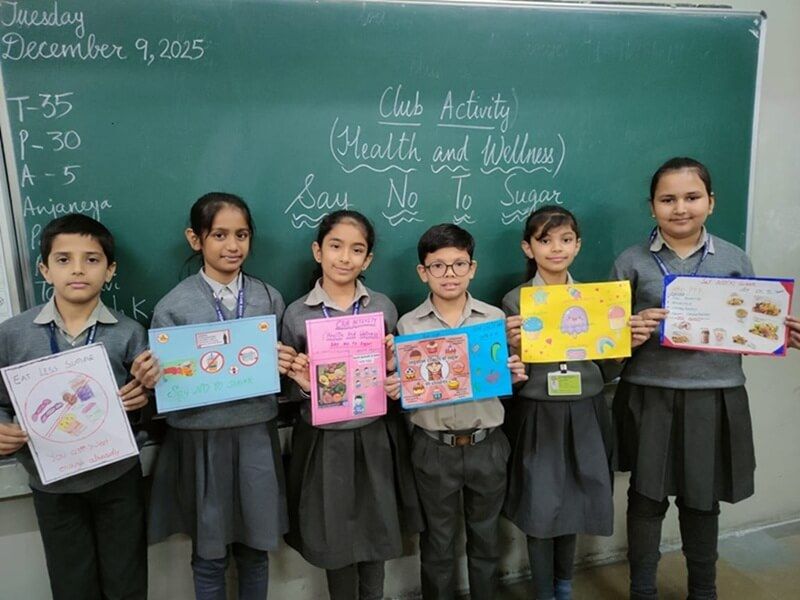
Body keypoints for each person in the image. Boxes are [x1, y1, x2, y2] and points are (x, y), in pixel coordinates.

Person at [612, 157, 757, 600]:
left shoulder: (734, 259)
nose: (680, 208)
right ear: (652, 206)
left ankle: (704, 590)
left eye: (692, 197)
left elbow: (751, 325)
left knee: (701, 499)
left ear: (711, 202)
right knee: (646, 497)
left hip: (712, 394)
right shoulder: (630, 261)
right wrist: (628, 333)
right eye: (667, 199)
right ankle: (642, 589)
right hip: (649, 393)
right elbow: (608, 338)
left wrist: (772, 333)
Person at [143, 192, 296, 600]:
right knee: (209, 553)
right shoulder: (173, 307)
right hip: (201, 440)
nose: (233, 246)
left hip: (256, 436)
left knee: (255, 547)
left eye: (242, 235)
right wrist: (154, 378)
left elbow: (286, 375)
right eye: (220, 235)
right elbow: (165, 385)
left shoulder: (269, 298)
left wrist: (287, 363)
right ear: (195, 239)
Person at [503, 206, 652, 600]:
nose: (556, 248)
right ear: (528, 248)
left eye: (565, 239)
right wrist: (513, 348)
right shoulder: (516, 301)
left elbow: (606, 369)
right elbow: (510, 375)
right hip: (539, 413)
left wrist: (624, 347)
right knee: (540, 505)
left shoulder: (596, 299)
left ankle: (564, 585)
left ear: (578, 245)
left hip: (586, 411)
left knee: (572, 502)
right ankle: (543, 590)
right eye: (545, 240)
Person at [0, 214, 151, 600]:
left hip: (117, 480)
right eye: (64, 259)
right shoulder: (12, 335)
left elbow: (146, 405)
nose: (78, 269)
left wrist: (142, 399)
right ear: (44, 270)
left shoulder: (129, 333)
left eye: (92, 259)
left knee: (126, 582)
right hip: (53, 485)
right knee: (71, 586)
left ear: (110, 270)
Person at [281, 210, 422, 600]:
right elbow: (288, 390)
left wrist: (392, 368)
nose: (345, 258)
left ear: (368, 259)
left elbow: (395, 373)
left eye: (356, 250)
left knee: (376, 533)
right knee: (336, 538)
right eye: (335, 246)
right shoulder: (296, 313)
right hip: (324, 441)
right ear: (318, 251)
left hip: (376, 436)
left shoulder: (382, 307)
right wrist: (302, 386)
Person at [388, 223, 526, 600]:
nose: (449, 274)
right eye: (438, 266)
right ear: (423, 272)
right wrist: (397, 384)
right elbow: (408, 385)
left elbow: (504, 380)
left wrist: (515, 374)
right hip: (433, 447)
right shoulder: (408, 324)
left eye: (459, 264)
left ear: (472, 268)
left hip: (487, 444)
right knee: (438, 542)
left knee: (486, 538)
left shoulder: (493, 319)